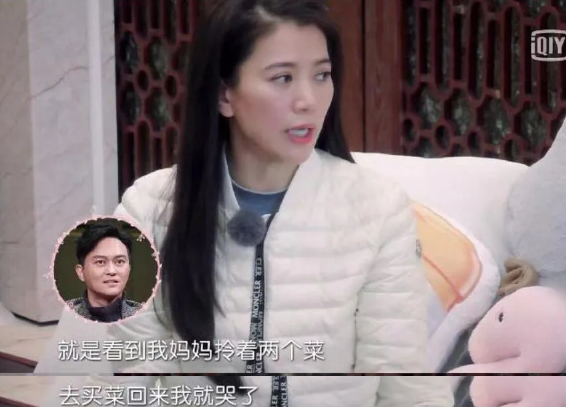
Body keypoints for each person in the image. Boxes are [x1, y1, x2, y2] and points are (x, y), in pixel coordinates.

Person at [97, 0, 428, 376]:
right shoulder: (147, 209)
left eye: (322, 75)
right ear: (224, 95)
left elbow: (403, 382)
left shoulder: (379, 207)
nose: (308, 101)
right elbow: (138, 378)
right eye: (283, 78)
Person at [66, 220, 142, 322]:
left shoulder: (144, 315)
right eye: (100, 262)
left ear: (129, 268)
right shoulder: (65, 314)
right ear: (81, 272)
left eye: (119, 261)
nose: (111, 271)